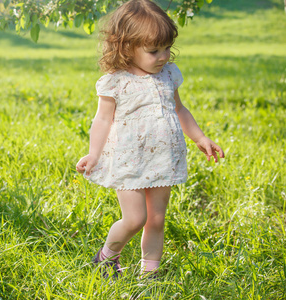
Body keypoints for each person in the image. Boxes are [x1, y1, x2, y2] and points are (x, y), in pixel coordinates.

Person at [76, 0, 224, 280]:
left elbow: (179, 109)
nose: (163, 56)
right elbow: (102, 120)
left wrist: (200, 137)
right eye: (153, 50)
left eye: (167, 48)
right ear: (126, 47)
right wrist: (94, 154)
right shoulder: (116, 81)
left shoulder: (168, 75)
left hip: (163, 158)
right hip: (128, 159)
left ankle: (149, 274)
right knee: (135, 218)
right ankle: (106, 257)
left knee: (156, 219)